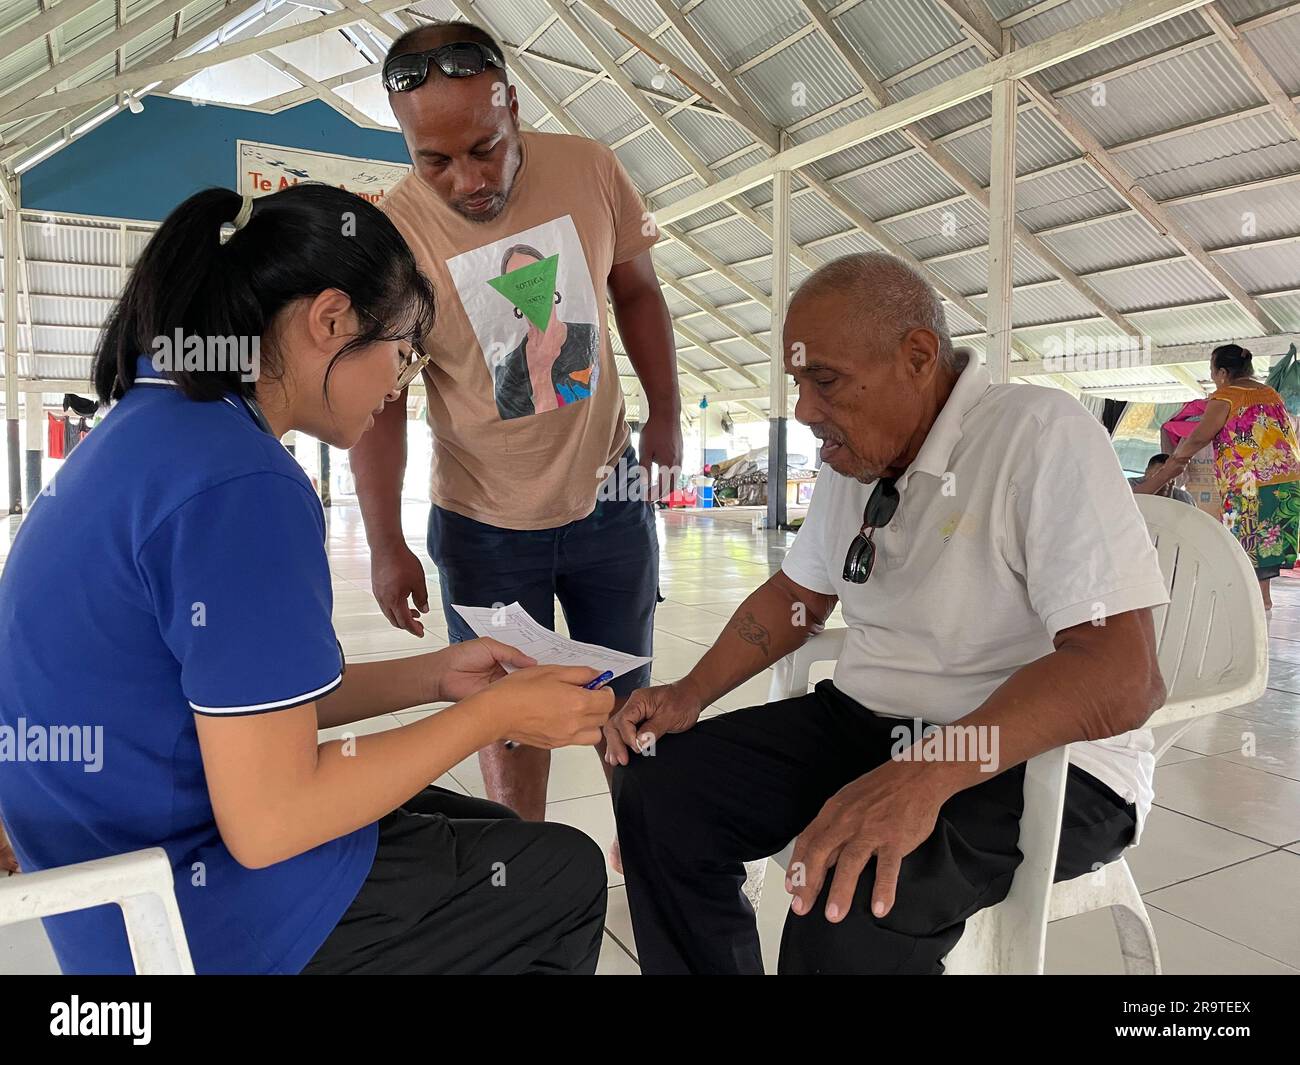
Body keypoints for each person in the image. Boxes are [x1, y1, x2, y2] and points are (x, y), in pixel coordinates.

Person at [0, 184, 612, 974]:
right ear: (330, 320)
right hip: (196, 914)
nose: (398, 385)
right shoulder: (240, 483)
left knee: (463, 820)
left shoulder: (153, 426)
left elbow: (248, 702)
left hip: (114, 870)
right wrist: (494, 714)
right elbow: (271, 820)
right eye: (401, 351)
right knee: (560, 872)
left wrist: (436, 678)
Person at [604, 252, 1169, 975]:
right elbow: (798, 598)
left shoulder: (1037, 435)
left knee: (851, 899)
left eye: (826, 381)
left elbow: (1124, 674)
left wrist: (927, 773)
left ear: (917, 356)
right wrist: (689, 693)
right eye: (799, 382)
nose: (805, 410)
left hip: (1041, 760)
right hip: (867, 722)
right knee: (658, 789)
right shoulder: (858, 456)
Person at [352, 21, 681, 853]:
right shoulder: (392, 238)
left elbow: (637, 292)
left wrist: (669, 412)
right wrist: (387, 541)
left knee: (627, 706)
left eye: (486, 148)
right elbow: (381, 401)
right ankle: (522, 878)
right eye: (436, 161)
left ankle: (650, 860)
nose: (466, 180)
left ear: (515, 110)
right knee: (505, 722)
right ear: (407, 148)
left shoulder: (591, 168)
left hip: (609, 502)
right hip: (484, 525)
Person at [1148, 343, 1300, 623]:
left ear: (1221, 372)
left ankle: (1249, 605)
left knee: (1242, 541)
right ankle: (1263, 600)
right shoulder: (1268, 394)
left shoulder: (1226, 396)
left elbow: (1198, 437)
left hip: (1250, 482)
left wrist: (1174, 462)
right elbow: (1254, 436)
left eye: (1212, 371)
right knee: (1263, 545)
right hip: (1285, 480)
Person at [1131, 453, 1195, 504]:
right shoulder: (1128, 487)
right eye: (1157, 476)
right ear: (1146, 472)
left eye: (1170, 478)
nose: (1164, 483)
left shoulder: (1185, 499)